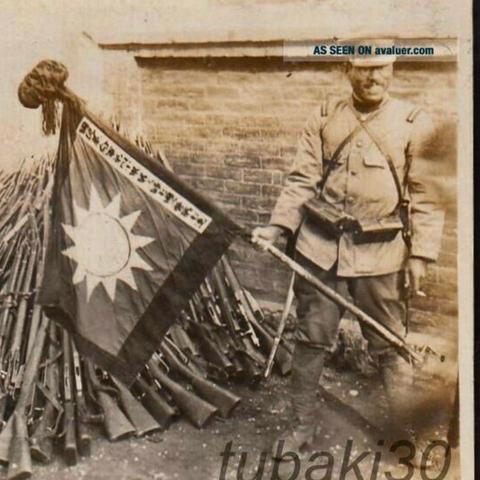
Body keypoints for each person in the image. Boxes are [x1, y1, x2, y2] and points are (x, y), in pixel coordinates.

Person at [251, 45, 444, 464]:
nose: (374, 78)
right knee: (311, 340)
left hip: (382, 254)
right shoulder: (325, 117)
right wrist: (277, 227)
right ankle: (300, 428)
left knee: (390, 345)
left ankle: (406, 435)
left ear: (392, 69)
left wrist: (421, 255)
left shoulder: (413, 122)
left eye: (382, 68)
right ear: (346, 69)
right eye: (364, 69)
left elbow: (426, 195)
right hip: (320, 250)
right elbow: (302, 180)